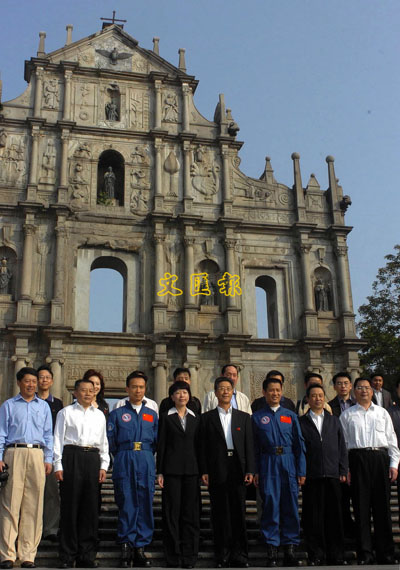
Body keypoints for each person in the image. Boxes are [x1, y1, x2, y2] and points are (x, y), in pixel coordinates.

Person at [340, 377, 399, 564]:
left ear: (372, 391)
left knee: (383, 509)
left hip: (380, 459)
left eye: (367, 387)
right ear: (354, 392)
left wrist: (393, 464)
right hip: (357, 460)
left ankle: (386, 553)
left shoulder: (382, 413)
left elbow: (392, 441)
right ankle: (365, 553)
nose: (364, 391)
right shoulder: (347, 415)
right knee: (361, 508)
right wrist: (346, 468)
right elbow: (343, 445)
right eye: (360, 388)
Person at [0, 367, 53, 569]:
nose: (31, 385)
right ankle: (7, 554)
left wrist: (48, 458)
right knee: (10, 504)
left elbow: (48, 434)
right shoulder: (9, 405)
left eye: (34, 381)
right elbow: (1, 432)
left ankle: (28, 554)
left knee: (34, 505)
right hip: (14, 452)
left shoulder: (44, 407)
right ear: (19, 383)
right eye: (27, 381)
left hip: (37, 454)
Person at [54, 379, 109, 569]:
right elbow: (57, 439)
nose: (87, 393)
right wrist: (58, 464)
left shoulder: (100, 415)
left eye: (91, 390)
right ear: (75, 393)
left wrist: (103, 465)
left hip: (92, 458)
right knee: (70, 507)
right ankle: (67, 555)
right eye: (83, 390)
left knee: (90, 509)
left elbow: (103, 442)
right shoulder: (66, 412)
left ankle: (87, 555)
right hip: (72, 456)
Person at [200, 377, 254, 568]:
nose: (225, 392)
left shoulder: (243, 417)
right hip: (217, 468)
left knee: (238, 512)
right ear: (215, 393)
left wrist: (250, 469)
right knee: (219, 513)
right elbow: (203, 447)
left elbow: (249, 445)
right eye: (221, 389)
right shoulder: (206, 418)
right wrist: (204, 470)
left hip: (237, 467)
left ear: (233, 392)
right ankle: (222, 555)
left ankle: (240, 555)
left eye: (228, 388)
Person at [252, 376, 306, 567]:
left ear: (282, 392)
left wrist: (301, 470)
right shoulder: (257, 417)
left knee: (290, 505)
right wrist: (255, 471)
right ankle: (272, 549)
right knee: (270, 506)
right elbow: (254, 447)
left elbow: (299, 445)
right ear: (264, 393)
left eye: (278, 390)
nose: (275, 393)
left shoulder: (290, 416)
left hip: (288, 462)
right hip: (268, 463)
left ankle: (290, 549)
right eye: (271, 390)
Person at [107, 371, 158, 568]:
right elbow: (111, 441)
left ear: (145, 389)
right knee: (126, 500)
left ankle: (140, 547)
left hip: (145, 458)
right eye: (134, 387)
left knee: (145, 501)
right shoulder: (117, 414)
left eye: (141, 387)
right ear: (127, 389)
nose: (138, 390)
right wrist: (121, 455)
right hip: (125, 457)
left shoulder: (152, 414)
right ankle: (126, 545)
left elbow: (156, 441)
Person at [299, 383, 348, 565]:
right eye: (314, 395)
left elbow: (342, 446)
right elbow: (299, 449)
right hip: (312, 476)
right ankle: (316, 555)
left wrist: (343, 469)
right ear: (308, 399)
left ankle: (337, 555)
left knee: (334, 517)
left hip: (332, 475)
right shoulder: (301, 422)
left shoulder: (334, 420)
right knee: (313, 517)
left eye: (320, 395)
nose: (318, 398)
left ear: (324, 398)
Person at [157, 381, 200, 568]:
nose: (182, 395)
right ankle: (173, 555)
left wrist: (202, 470)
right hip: (171, 471)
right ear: (171, 396)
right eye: (178, 392)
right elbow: (162, 445)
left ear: (189, 395)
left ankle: (189, 554)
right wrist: (160, 471)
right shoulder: (166, 417)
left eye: (185, 392)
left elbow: (200, 447)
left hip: (192, 471)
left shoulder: (196, 418)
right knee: (171, 513)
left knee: (190, 514)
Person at [327, 372, 356, 539]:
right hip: (338, 455)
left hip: (356, 453)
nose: (343, 386)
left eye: (346, 383)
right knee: (341, 496)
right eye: (339, 383)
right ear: (334, 386)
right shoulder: (329, 407)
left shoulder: (359, 404)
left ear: (350, 385)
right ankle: (343, 528)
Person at [37, 365, 63, 542]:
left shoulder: (58, 404)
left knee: (52, 493)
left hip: (51, 452)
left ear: (52, 381)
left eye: (47, 377)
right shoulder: (31, 400)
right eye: (41, 377)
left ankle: (51, 529)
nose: (44, 380)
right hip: (33, 448)